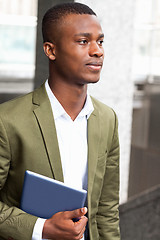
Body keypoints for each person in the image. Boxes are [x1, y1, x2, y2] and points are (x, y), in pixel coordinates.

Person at [0, 2, 120, 240]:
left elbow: (107, 211)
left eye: (100, 41)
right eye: (83, 41)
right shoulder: (8, 120)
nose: (97, 51)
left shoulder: (107, 119)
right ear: (50, 50)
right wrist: (42, 227)